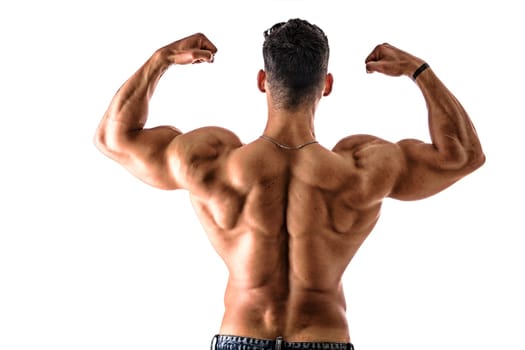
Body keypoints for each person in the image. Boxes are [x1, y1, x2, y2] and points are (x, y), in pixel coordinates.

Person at [94, 18, 485, 350]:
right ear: (326, 84)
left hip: (241, 336)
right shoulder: (363, 166)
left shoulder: (211, 160)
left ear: (263, 80)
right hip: (325, 338)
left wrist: (161, 59)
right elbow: (463, 155)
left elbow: (114, 138)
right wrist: (419, 71)